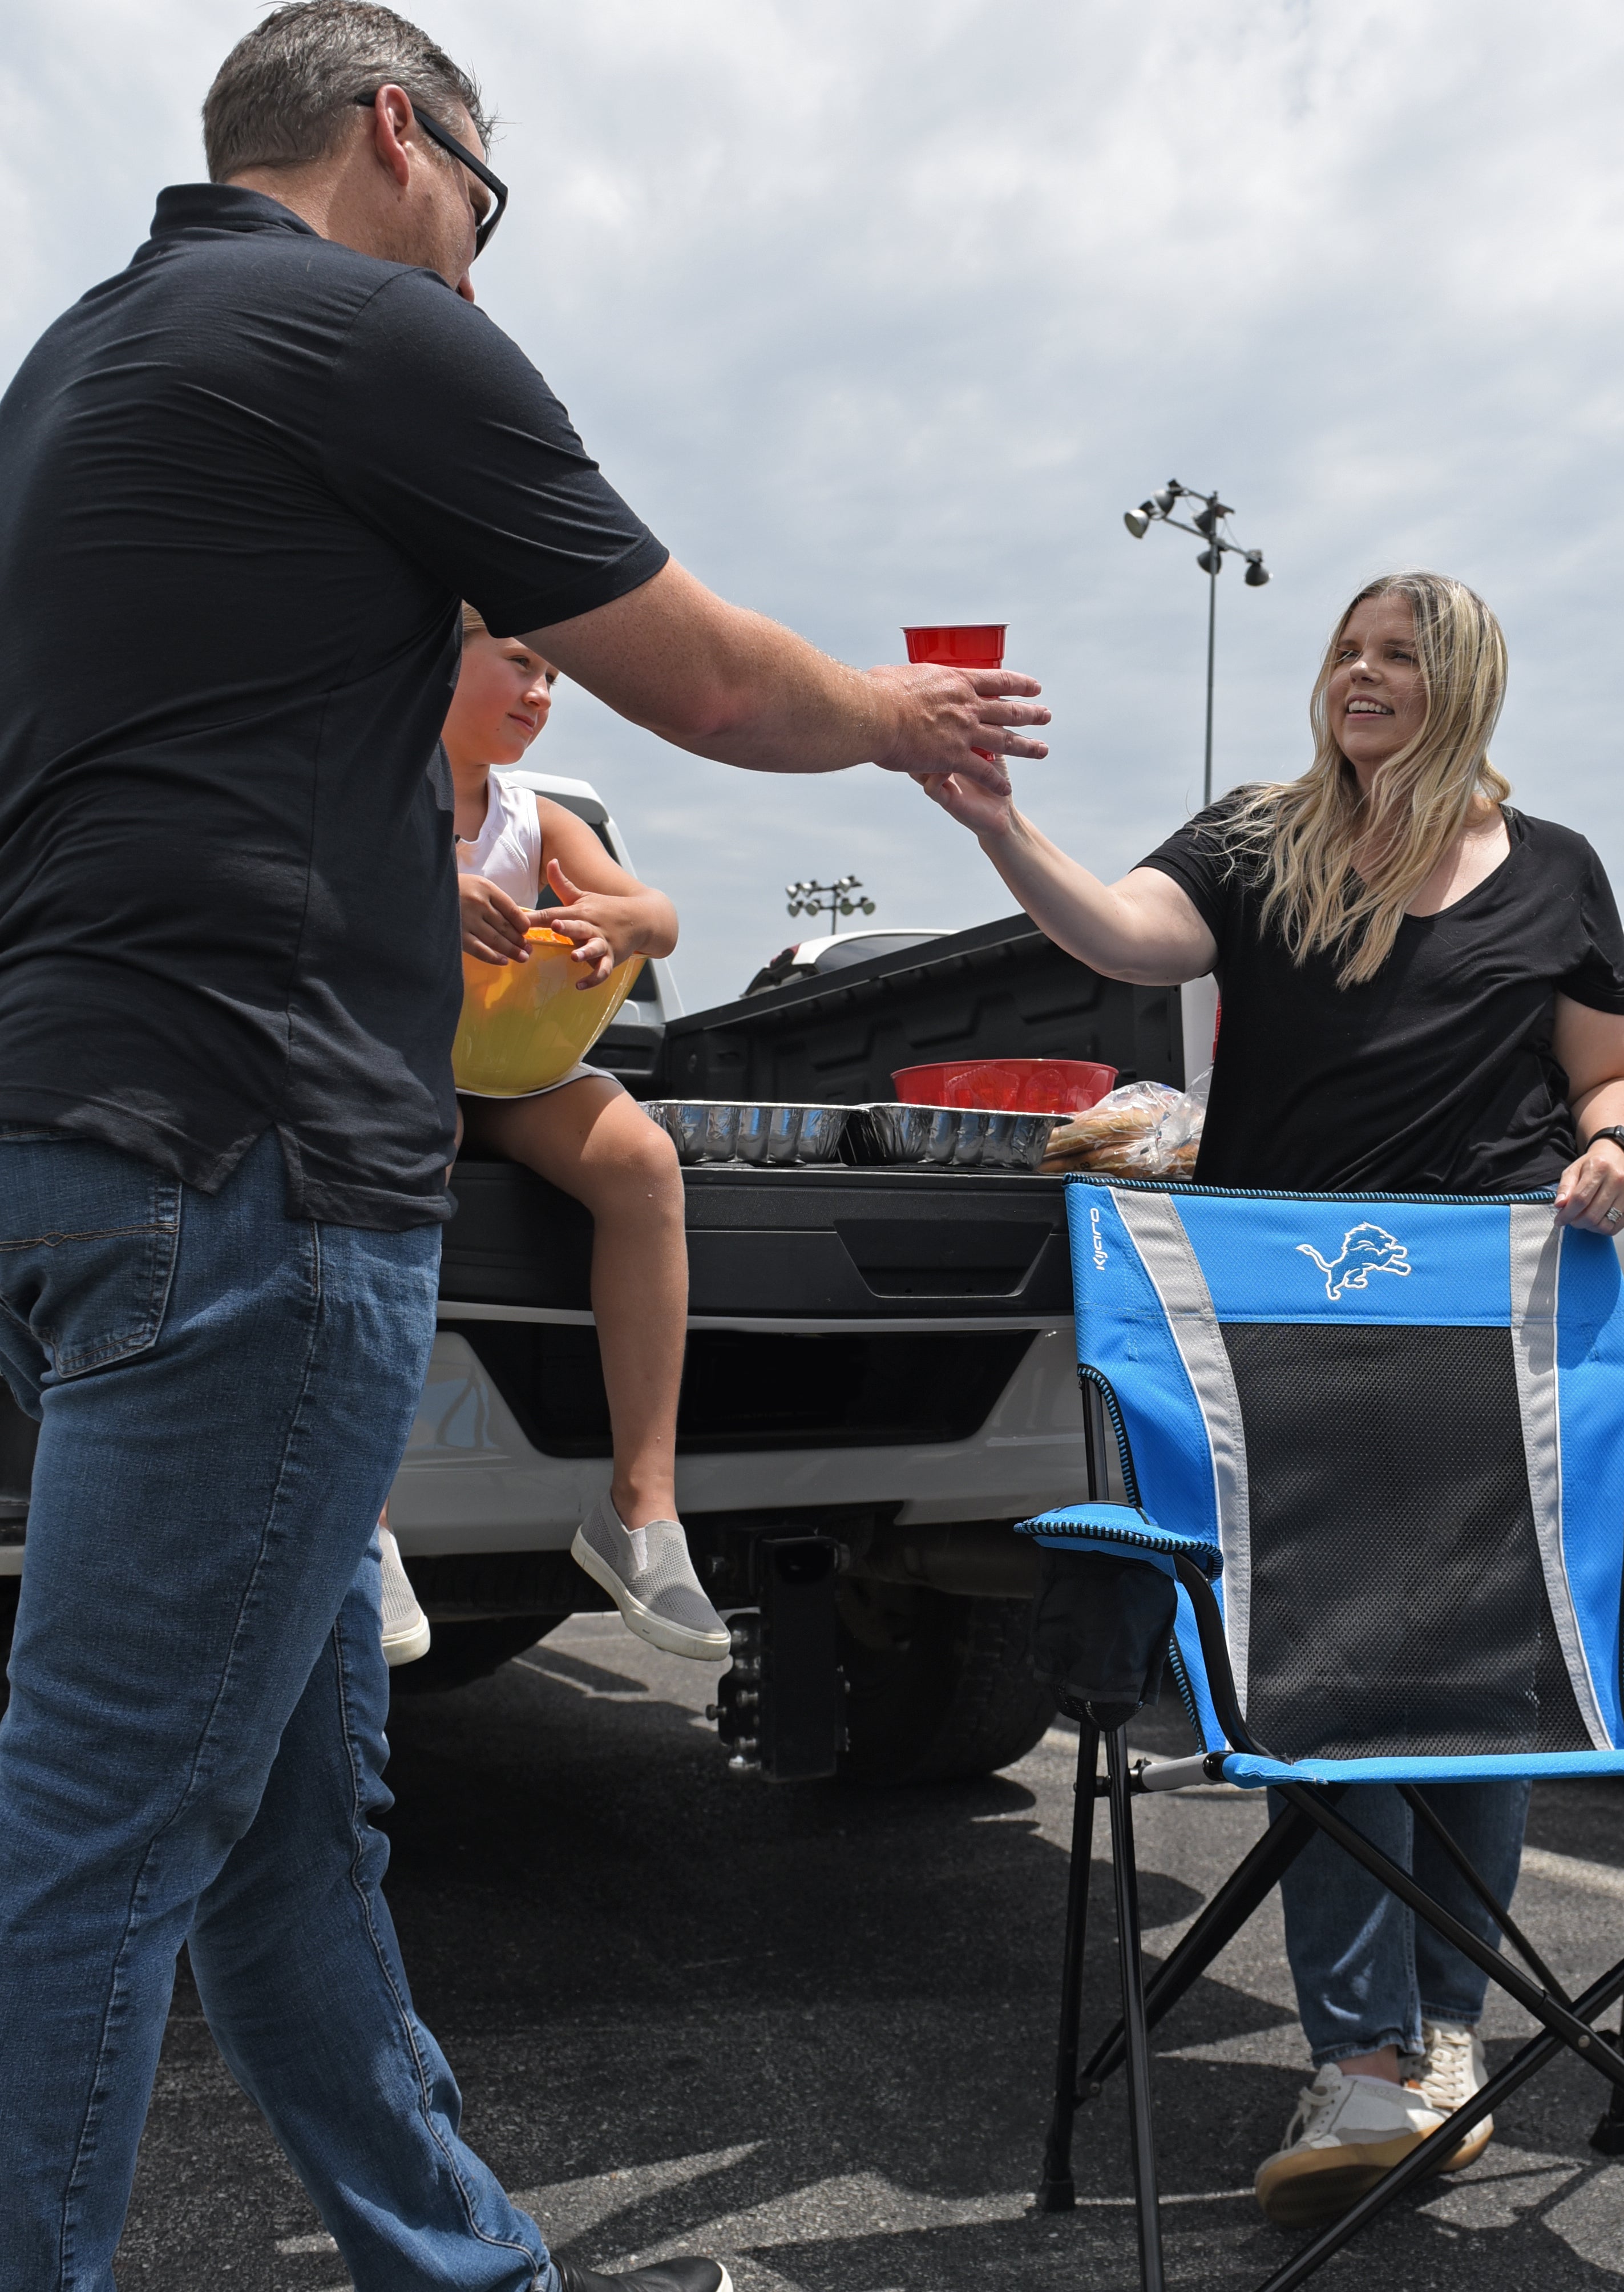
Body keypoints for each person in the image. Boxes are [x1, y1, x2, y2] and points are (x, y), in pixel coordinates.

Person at [0, 7, 1048, 2288]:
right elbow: (706, 677)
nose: (479, 246)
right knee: (96, 1834)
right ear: (402, 133)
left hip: (93, 1140)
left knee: (287, 1824)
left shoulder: (76, 369)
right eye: (486, 191)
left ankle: (465, 2262)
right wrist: (905, 716)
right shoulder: (367, 328)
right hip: (263, 1165)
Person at [921, 569, 1624, 2227]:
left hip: (1485, 1322)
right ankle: (1358, 2051)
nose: (1361, 675)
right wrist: (993, 825)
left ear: (1464, 684)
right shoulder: (1259, 841)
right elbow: (1120, 932)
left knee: (1470, 1687)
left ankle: (1442, 2041)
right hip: (1281, 1323)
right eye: (1345, 650)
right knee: (1326, 1689)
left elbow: (1603, 1070)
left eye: (1398, 654)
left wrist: (1611, 1145)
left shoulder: (1555, 872)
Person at [374, 606, 727, 1672]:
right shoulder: (375, 786)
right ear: (439, 657)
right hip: (398, 1059)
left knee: (643, 1161)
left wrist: (624, 923)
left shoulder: (538, 814)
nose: (540, 693)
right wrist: (429, 886)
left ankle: (641, 1511)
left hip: (516, 1063)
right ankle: (365, 1521)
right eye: (519, 665)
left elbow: (659, 914)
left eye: (554, 679)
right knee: (407, 1143)